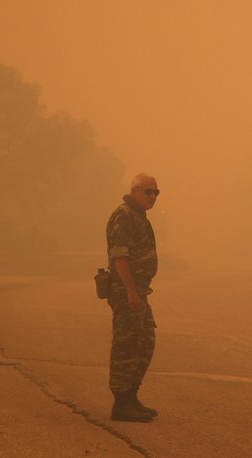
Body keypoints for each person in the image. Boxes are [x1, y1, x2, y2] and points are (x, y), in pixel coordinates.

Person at [105, 173, 160, 422]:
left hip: (139, 291)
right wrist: (130, 291)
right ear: (135, 191)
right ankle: (121, 403)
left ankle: (131, 397)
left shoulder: (139, 217)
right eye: (148, 191)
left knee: (145, 342)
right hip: (127, 291)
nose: (153, 197)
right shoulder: (124, 215)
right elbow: (120, 257)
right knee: (126, 346)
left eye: (156, 192)